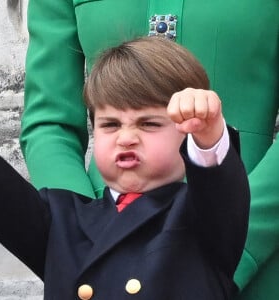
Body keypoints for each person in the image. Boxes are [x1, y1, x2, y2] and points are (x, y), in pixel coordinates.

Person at [21, 1, 279, 299]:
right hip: (100, 261)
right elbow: (50, 124)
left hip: (254, 253)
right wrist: (80, 238)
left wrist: (236, 246)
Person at [0, 37, 249, 299]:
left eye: (149, 124)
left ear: (187, 132)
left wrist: (209, 133)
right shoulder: (62, 220)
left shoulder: (201, 217)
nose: (126, 137)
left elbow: (221, 191)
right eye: (110, 125)